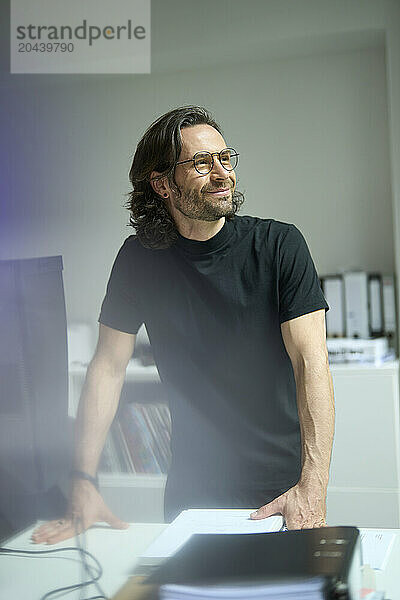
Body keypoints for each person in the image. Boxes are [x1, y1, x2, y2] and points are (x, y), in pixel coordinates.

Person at [32, 106, 334, 545]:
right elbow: (107, 369)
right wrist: (83, 480)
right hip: (191, 492)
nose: (222, 173)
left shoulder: (279, 245)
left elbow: (313, 366)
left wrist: (313, 486)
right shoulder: (139, 259)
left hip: (281, 492)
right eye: (201, 163)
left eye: (225, 158)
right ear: (162, 185)